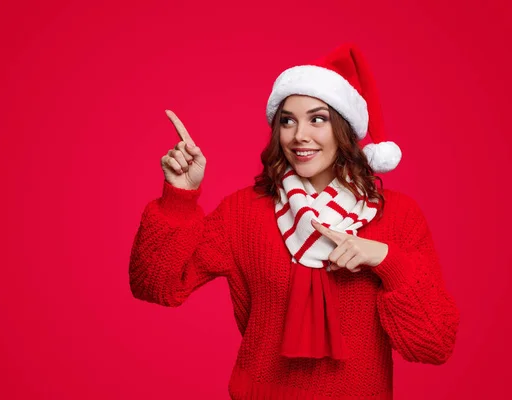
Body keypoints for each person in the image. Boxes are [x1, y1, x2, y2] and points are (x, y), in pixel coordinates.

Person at [129, 43, 460, 399]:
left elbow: (434, 344)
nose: (299, 135)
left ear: (344, 129)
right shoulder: (243, 212)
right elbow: (157, 286)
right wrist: (179, 197)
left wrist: (386, 260)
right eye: (288, 120)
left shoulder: (398, 216)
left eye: (317, 119)